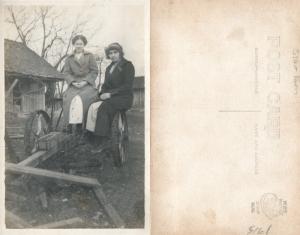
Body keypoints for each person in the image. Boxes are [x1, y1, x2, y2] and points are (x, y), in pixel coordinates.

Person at [88, 42, 135, 153]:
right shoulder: (109, 68)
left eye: (115, 52)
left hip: (124, 97)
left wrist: (110, 94)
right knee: (92, 106)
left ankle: (101, 140)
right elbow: (105, 86)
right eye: (110, 53)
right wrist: (101, 94)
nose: (113, 55)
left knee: (104, 107)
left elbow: (127, 86)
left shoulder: (127, 65)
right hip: (111, 97)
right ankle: (91, 135)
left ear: (120, 53)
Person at [62, 34, 99, 134]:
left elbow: (94, 71)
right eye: (76, 44)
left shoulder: (89, 56)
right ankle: (68, 126)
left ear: (84, 45)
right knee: (68, 99)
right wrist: (73, 82)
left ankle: (83, 127)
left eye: (81, 44)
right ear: (74, 45)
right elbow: (66, 72)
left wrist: (85, 81)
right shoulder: (69, 58)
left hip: (87, 84)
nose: (79, 46)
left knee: (84, 99)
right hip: (73, 85)